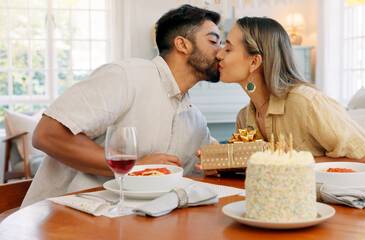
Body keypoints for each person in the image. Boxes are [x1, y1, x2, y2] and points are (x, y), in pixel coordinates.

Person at [22, 4, 221, 207]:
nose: (221, 52)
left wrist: (214, 165)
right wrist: (134, 167)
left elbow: (204, 165)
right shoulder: (125, 77)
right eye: (214, 41)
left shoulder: (195, 120)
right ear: (183, 45)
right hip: (60, 221)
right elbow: (47, 134)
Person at [197, 16, 365, 176]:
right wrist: (222, 165)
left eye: (228, 49)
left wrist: (296, 162)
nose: (219, 55)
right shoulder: (244, 117)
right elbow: (261, 170)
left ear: (255, 61)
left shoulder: (306, 102)